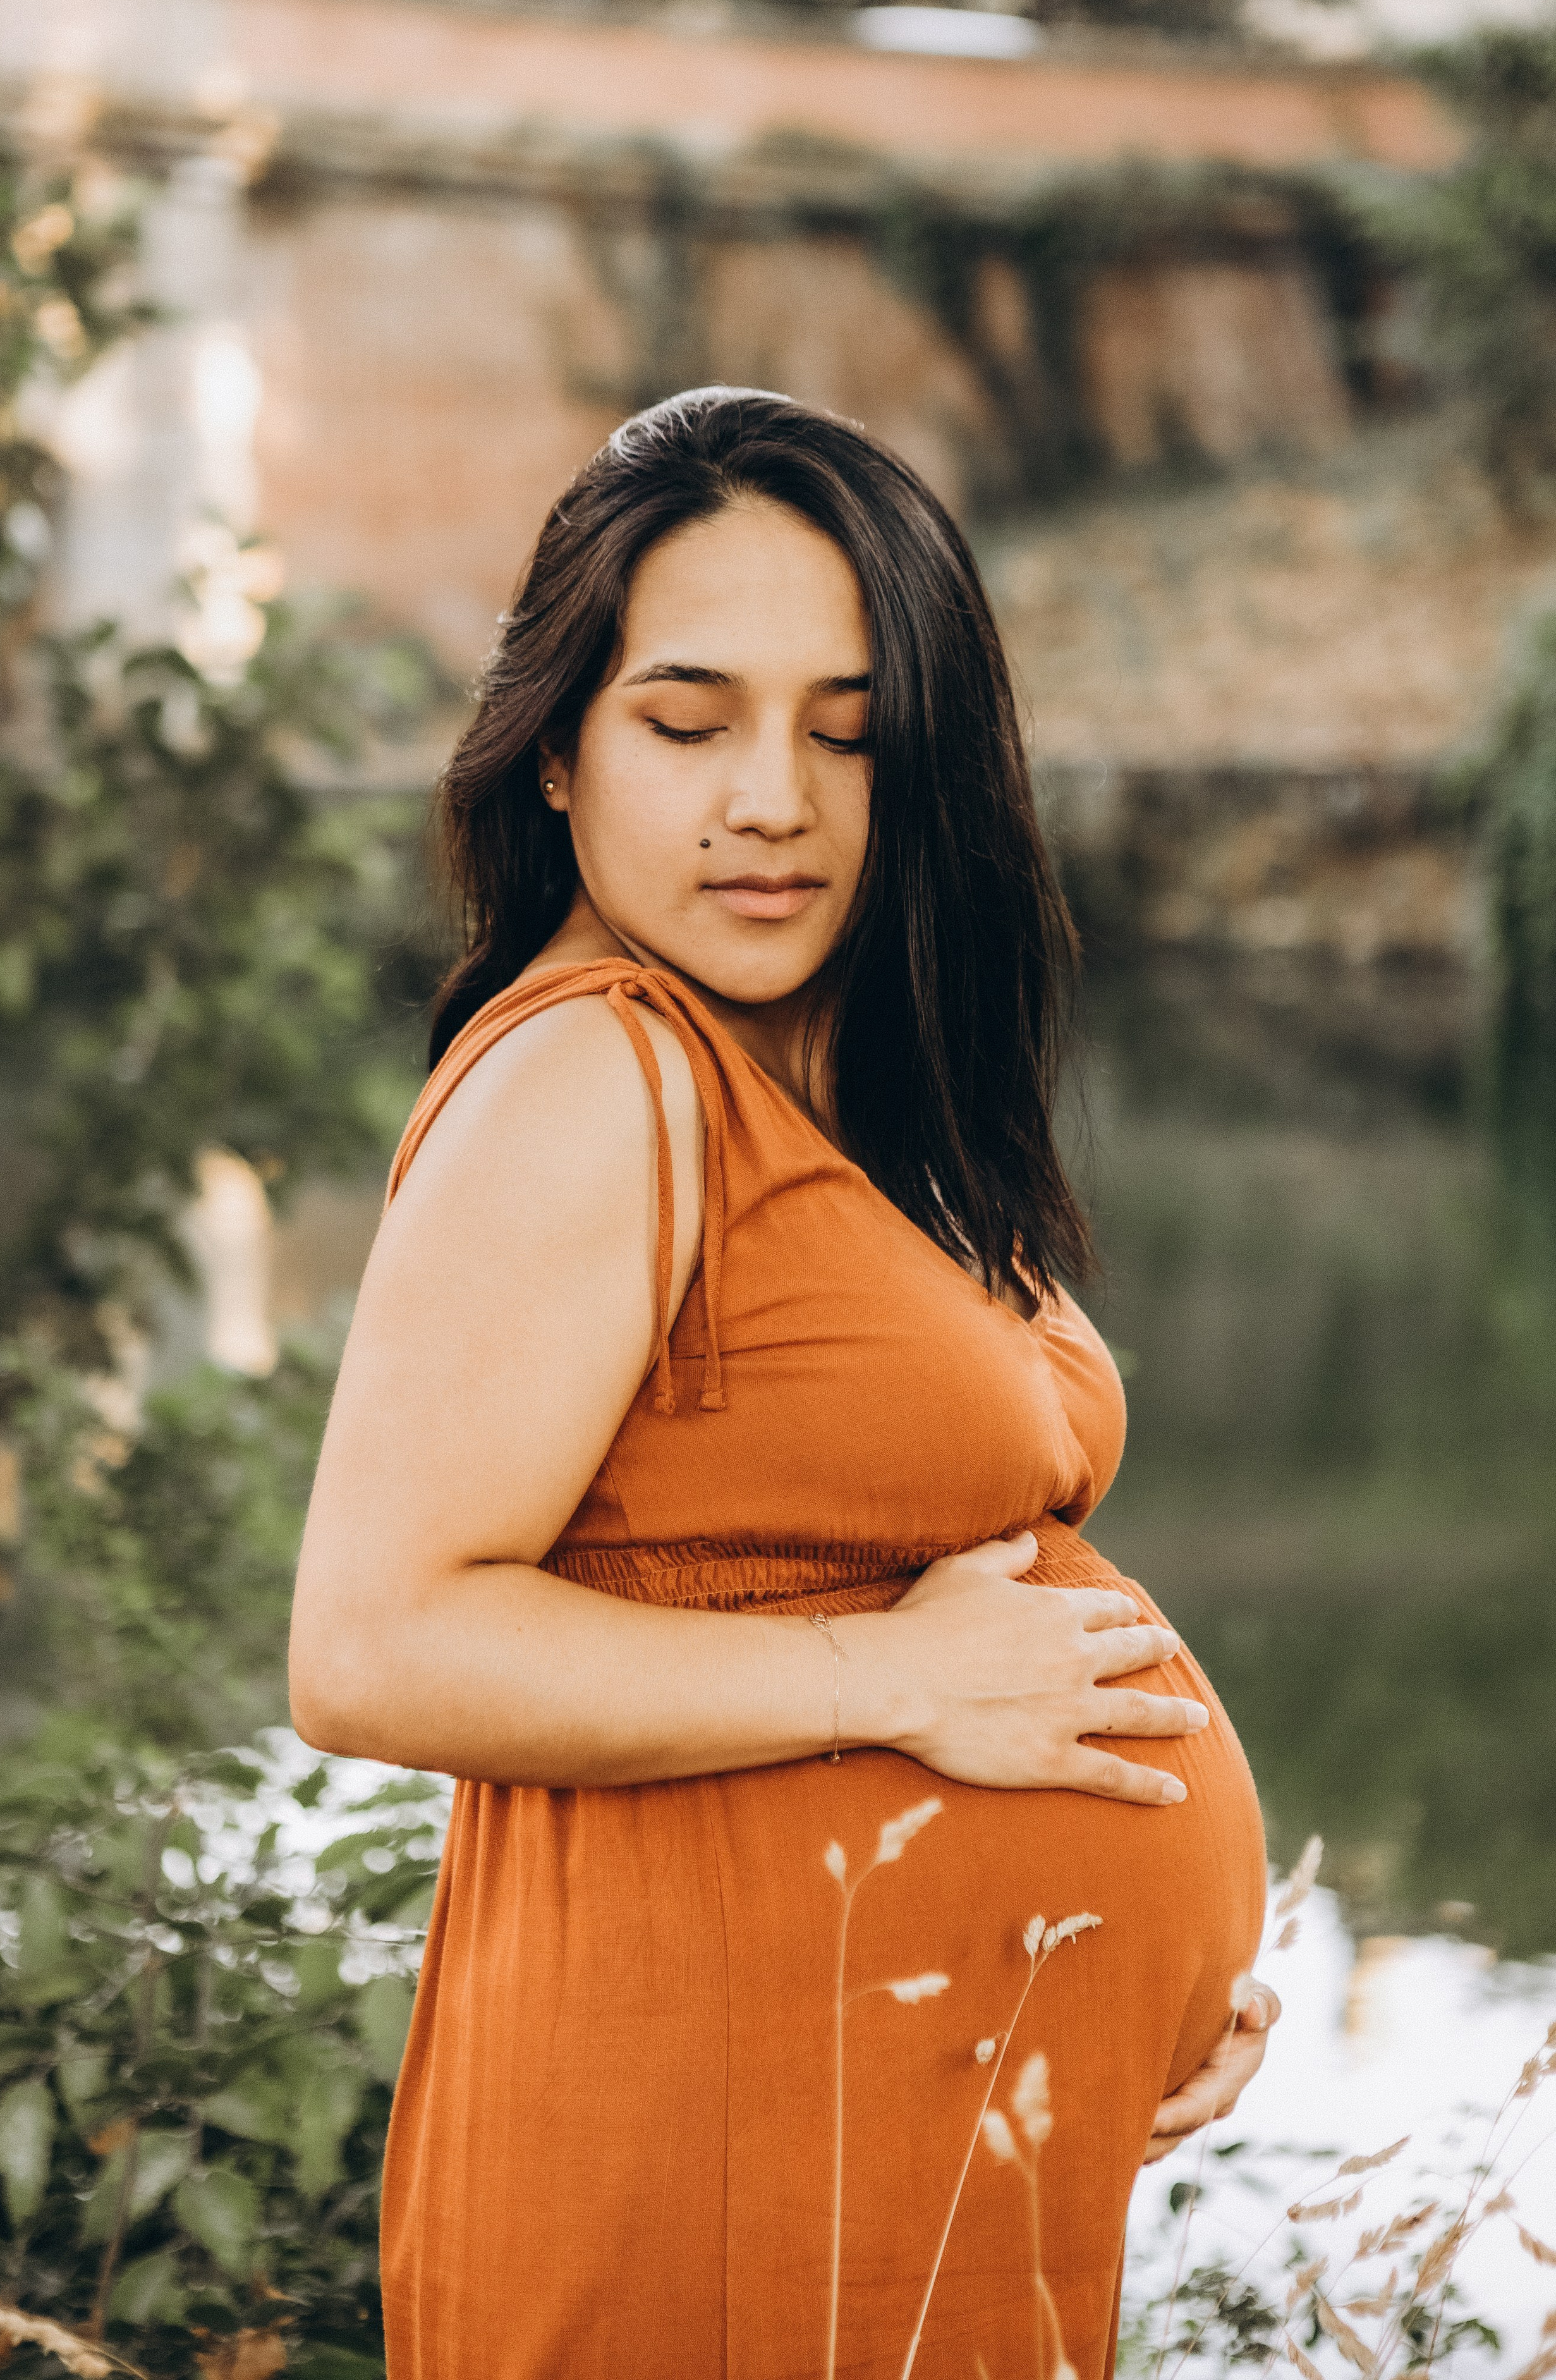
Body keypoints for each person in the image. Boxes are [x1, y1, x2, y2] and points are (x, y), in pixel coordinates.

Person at [289, 387, 1277, 2380]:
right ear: (556, 749)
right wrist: (891, 1688)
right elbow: (374, 1645)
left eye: (850, 734)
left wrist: (1130, 1976)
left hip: (899, 2123)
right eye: (688, 721)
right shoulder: (598, 1076)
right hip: (705, 2157)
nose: (775, 798)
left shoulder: (831, 1088)